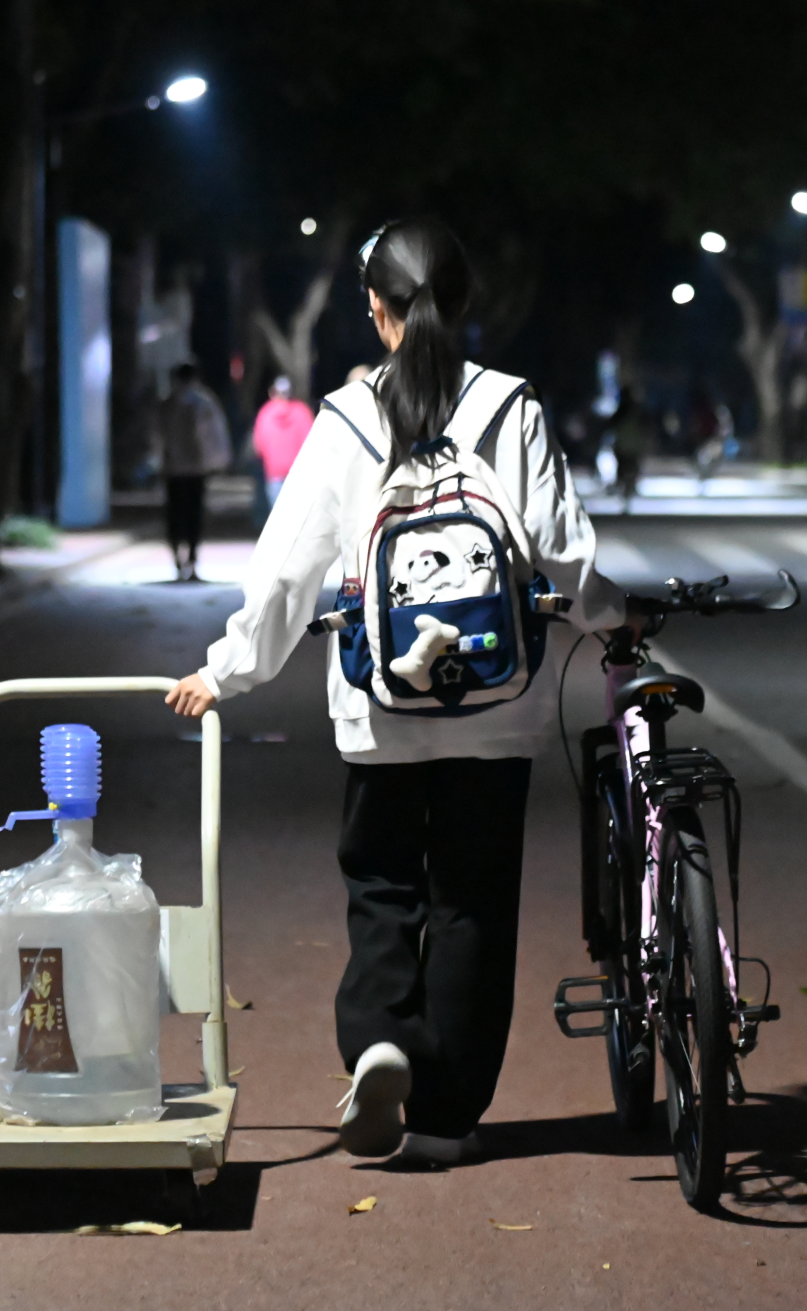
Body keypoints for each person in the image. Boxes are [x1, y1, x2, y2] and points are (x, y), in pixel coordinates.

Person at [163, 217, 633, 1168]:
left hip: (379, 705)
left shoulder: (344, 419)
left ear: (376, 310)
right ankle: (447, 1119)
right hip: (498, 706)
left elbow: (287, 569)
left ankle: (379, 1038)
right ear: (464, 301)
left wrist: (226, 671)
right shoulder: (510, 407)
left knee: (381, 885)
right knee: (473, 905)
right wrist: (613, 621)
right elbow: (562, 550)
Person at [155, 361, 233, 581]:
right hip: (195, 469)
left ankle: (177, 561)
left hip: (172, 469)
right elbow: (213, 435)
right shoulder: (203, 402)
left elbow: (156, 435)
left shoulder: (167, 403)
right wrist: (217, 462)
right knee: (194, 516)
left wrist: (159, 461)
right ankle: (192, 560)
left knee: (174, 515)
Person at [252, 375, 316, 508]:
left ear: (272, 392)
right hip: (299, 474)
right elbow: (312, 442)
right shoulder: (302, 412)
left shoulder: (265, 413)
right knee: (298, 514)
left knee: (278, 514)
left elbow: (258, 446)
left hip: (274, 473)